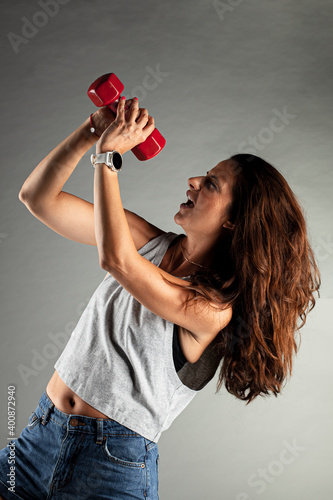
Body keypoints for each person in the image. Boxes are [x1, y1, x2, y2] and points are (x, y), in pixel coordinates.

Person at [0, 96, 321, 500]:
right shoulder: (148, 242)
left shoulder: (213, 309)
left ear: (233, 220)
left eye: (211, 185)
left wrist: (107, 160)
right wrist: (91, 132)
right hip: (38, 440)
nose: (193, 181)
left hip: (110, 468)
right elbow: (37, 198)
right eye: (202, 176)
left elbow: (116, 260)